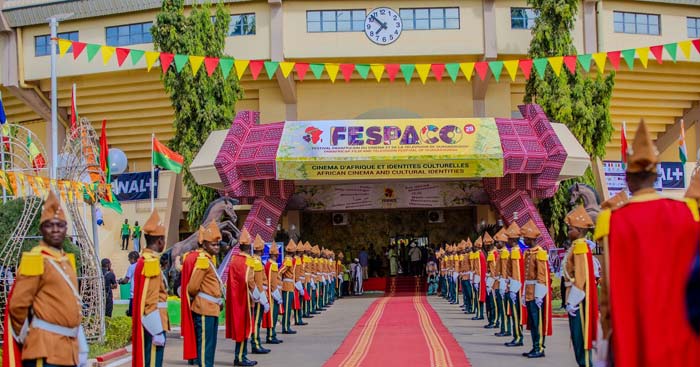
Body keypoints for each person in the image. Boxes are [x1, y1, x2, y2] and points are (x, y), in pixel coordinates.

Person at [594, 121, 700, 367]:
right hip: (680, 339)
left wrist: (608, 336)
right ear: (656, 175)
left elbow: (607, 297)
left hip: (635, 339)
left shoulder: (613, 221)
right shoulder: (687, 213)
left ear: (627, 178)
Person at [3, 190, 88, 367]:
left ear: (66, 228)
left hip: (67, 350)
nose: (55, 229)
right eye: (50, 225)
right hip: (44, 350)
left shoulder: (66, 260)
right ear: (42, 229)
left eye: (60, 225)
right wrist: (33, 335)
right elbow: (18, 306)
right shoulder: (36, 259)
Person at [180, 221, 224, 367]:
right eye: (213, 244)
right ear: (204, 245)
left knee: (210, 346)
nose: (216, 247)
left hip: (211, 308)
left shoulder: (210, 260)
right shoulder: (203, 261)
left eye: (218, 244)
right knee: (206, 348)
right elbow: (192, 287)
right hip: (204, 308)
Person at [131, 209, 170, 367]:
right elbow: (151, 299)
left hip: (149, 322)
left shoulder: (143, 259)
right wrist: (157, 330)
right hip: (154, 322)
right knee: (153, 363)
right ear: (160, 241)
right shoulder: (151, 262)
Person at [563, 205, 598, 367]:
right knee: (577, 339)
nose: (568, 232)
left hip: (578, 300)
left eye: (571, 229)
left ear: (578, 230)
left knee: (581, 339)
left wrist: (573, 300)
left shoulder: (580, 247)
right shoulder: (577, 246)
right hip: (575, 297)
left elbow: (581, 276)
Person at [225, 228, 258, 367]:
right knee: (245, 329)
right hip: (245, 299)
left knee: (240, 328)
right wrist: (257, 295)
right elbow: (249, 280)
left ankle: (239, 356)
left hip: (235, 297)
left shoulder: (234, 259)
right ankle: (241, 357)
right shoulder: (248, 261)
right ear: (249, 247)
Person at [521, 219, 552, 359]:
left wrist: (540, 295)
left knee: (537, 321)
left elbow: (542, 276)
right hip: (529, 291)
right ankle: (534, 346)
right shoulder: (528, 252)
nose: (524, 240)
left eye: (525, 238)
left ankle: (539, 347)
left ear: (530, 238)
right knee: (532, 322)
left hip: (536, 292)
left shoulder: (540, 253)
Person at [505, 220, 526, 347]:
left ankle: (518, 337)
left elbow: (516, 272)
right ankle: (517, 336)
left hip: (515, 286)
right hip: (514, 285)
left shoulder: (514, 252)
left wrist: (513, 288)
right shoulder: (515, 251)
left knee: (516, 313)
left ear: (513, 240)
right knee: (514, 313)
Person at [250, 234, 271, 355]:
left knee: (256, 321)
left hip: (258, 294)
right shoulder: (257, 262)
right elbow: (259, 283)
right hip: (258, 296)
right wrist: (263, 299)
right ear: (261, 250)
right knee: (257, 321)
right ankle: (256, 344)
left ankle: (256, 342)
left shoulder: (255, 260)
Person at [264, 241, 284, 345]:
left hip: (271, 293)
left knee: (273, 316)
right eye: (276, 255)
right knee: (273, 316)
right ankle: (271, 335)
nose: (277, 256)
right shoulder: (273, 265)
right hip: (272, 294)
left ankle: (272, 334)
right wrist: (276, 294)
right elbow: (273, 282)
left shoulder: (268, 264)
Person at [494, 229, 511, 338]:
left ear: (503, 242)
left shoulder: (504, 253)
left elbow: (504, 269)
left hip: (502, 282)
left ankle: (506, 329)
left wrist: (504, 283)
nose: (496, 244)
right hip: (499, 281)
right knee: (501, 307)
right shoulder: (501, 253)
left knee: (504, 308)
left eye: (498, 242)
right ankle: (503, 328)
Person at [280, 240, 297, 335]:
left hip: (290, 285)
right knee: (287, 308)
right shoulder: (289, 260)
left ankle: (287, 325)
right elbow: (281, 271)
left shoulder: (289, 259)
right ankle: (285, 327)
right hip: (287, 285)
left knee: (288, 307)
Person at [483, 232, 498, 329]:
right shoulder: (490, 253)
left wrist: (490, 283)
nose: (486, 248)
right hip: (489, 279)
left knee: (493, 303)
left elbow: (494, 270)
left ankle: (494, 320)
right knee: (488, 303)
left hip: (492, 281)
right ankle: (490, 320)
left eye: (487, 246)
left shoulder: (494, 254)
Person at [119, 251, 140, 317]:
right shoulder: (142, 265)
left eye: (129, 259)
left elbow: (126, 280)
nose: (129, 260)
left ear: (133, 258)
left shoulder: (132, 267)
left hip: (134, 295)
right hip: (142, 294)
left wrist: (120, 281)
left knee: (132, 315)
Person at [471, 237, 486, 320]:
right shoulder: (481, 254)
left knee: (478, 297)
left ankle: (480, 314)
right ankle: (479, 313)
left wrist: (476, 279)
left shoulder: (478, 254)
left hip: (479, 278)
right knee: (477, 297)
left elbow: (478, 268)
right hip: (479, 278)